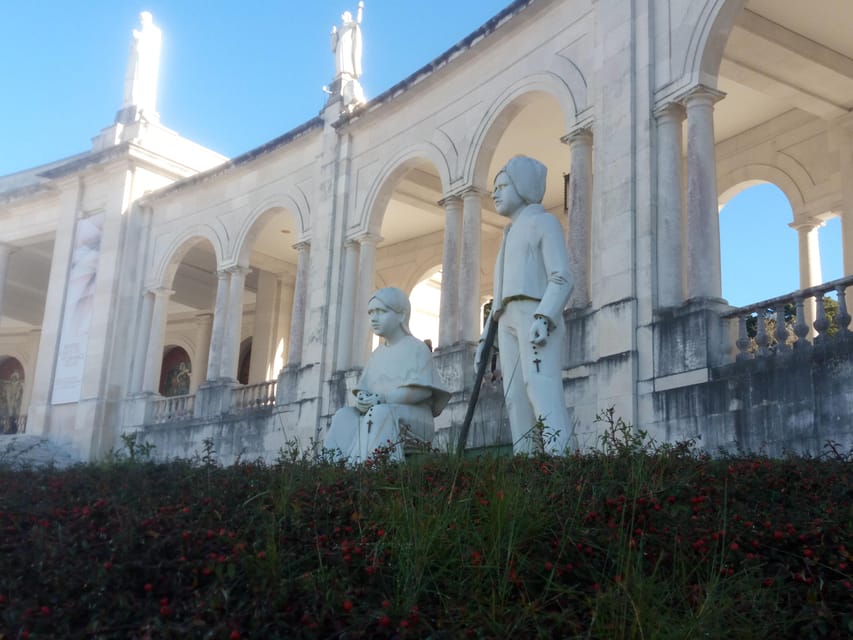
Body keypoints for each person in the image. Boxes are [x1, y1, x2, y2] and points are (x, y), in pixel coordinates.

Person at [475, 155, 575, 455]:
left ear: (523, 186)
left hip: (534, 315)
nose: (496, 193)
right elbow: (499, 295)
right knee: (514, 395)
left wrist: (544, 316)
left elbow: (562, 277)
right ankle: (526, 461)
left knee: (539, 385)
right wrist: (486, 339)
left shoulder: (543, 223)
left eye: (503, 185)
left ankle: (561, 459)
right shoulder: (508, 234)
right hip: (505, 320)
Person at [324, 287, 449, 463]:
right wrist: (362, 399)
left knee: (380, 413)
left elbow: (422, 391)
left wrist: (381, 399)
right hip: (378, 411)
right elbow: (365, 389)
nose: (374, 318)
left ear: (402, 315)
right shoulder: (377, 354)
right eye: (371, 313)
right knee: (344, 416)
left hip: (415, 417)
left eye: (381, 311)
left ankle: (369, 470)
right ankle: (331, 473)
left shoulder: (417, 348)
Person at [330, 2, 366, 108]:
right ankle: (340, 75)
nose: (343, 17)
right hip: (341, 45)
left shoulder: (350, 24)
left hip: (347, 45)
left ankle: (347, 76)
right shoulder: (340, 29)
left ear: (348, 16)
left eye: (345, 15)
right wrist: (333, 34)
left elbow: (358, 21)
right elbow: (334, 46)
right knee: (340, 63)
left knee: (347, 62)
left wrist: (360, 8)